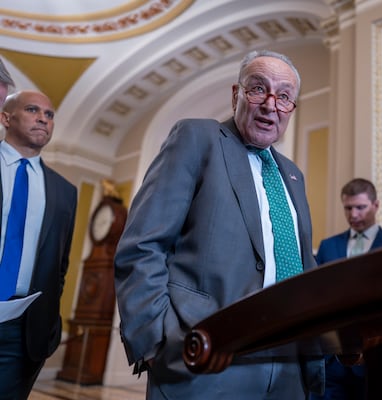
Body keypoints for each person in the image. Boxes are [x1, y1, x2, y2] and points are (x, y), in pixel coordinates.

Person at [114, 50, 324, 400]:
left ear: (291, 108)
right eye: (258, 89)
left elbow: (303, 266)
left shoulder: (292, 175)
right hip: (206, 355)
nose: (271, 104)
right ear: (235, 95)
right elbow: (142, 244)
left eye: (284, 96)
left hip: (288, 362)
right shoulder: (198, 138)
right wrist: (156, 341)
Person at [0, 90, 78, 399]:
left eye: (49, 114)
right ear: (6, 118)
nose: (43, 118)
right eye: (33, 110)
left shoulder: (65, 191)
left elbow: (60, 265)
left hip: (25, 330)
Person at [310, 178, 382, 400]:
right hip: (332, 357)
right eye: (348, 208)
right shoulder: (328, 246)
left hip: (377, 354)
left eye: (360, 207)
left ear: (376, 205)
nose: (354, 214)